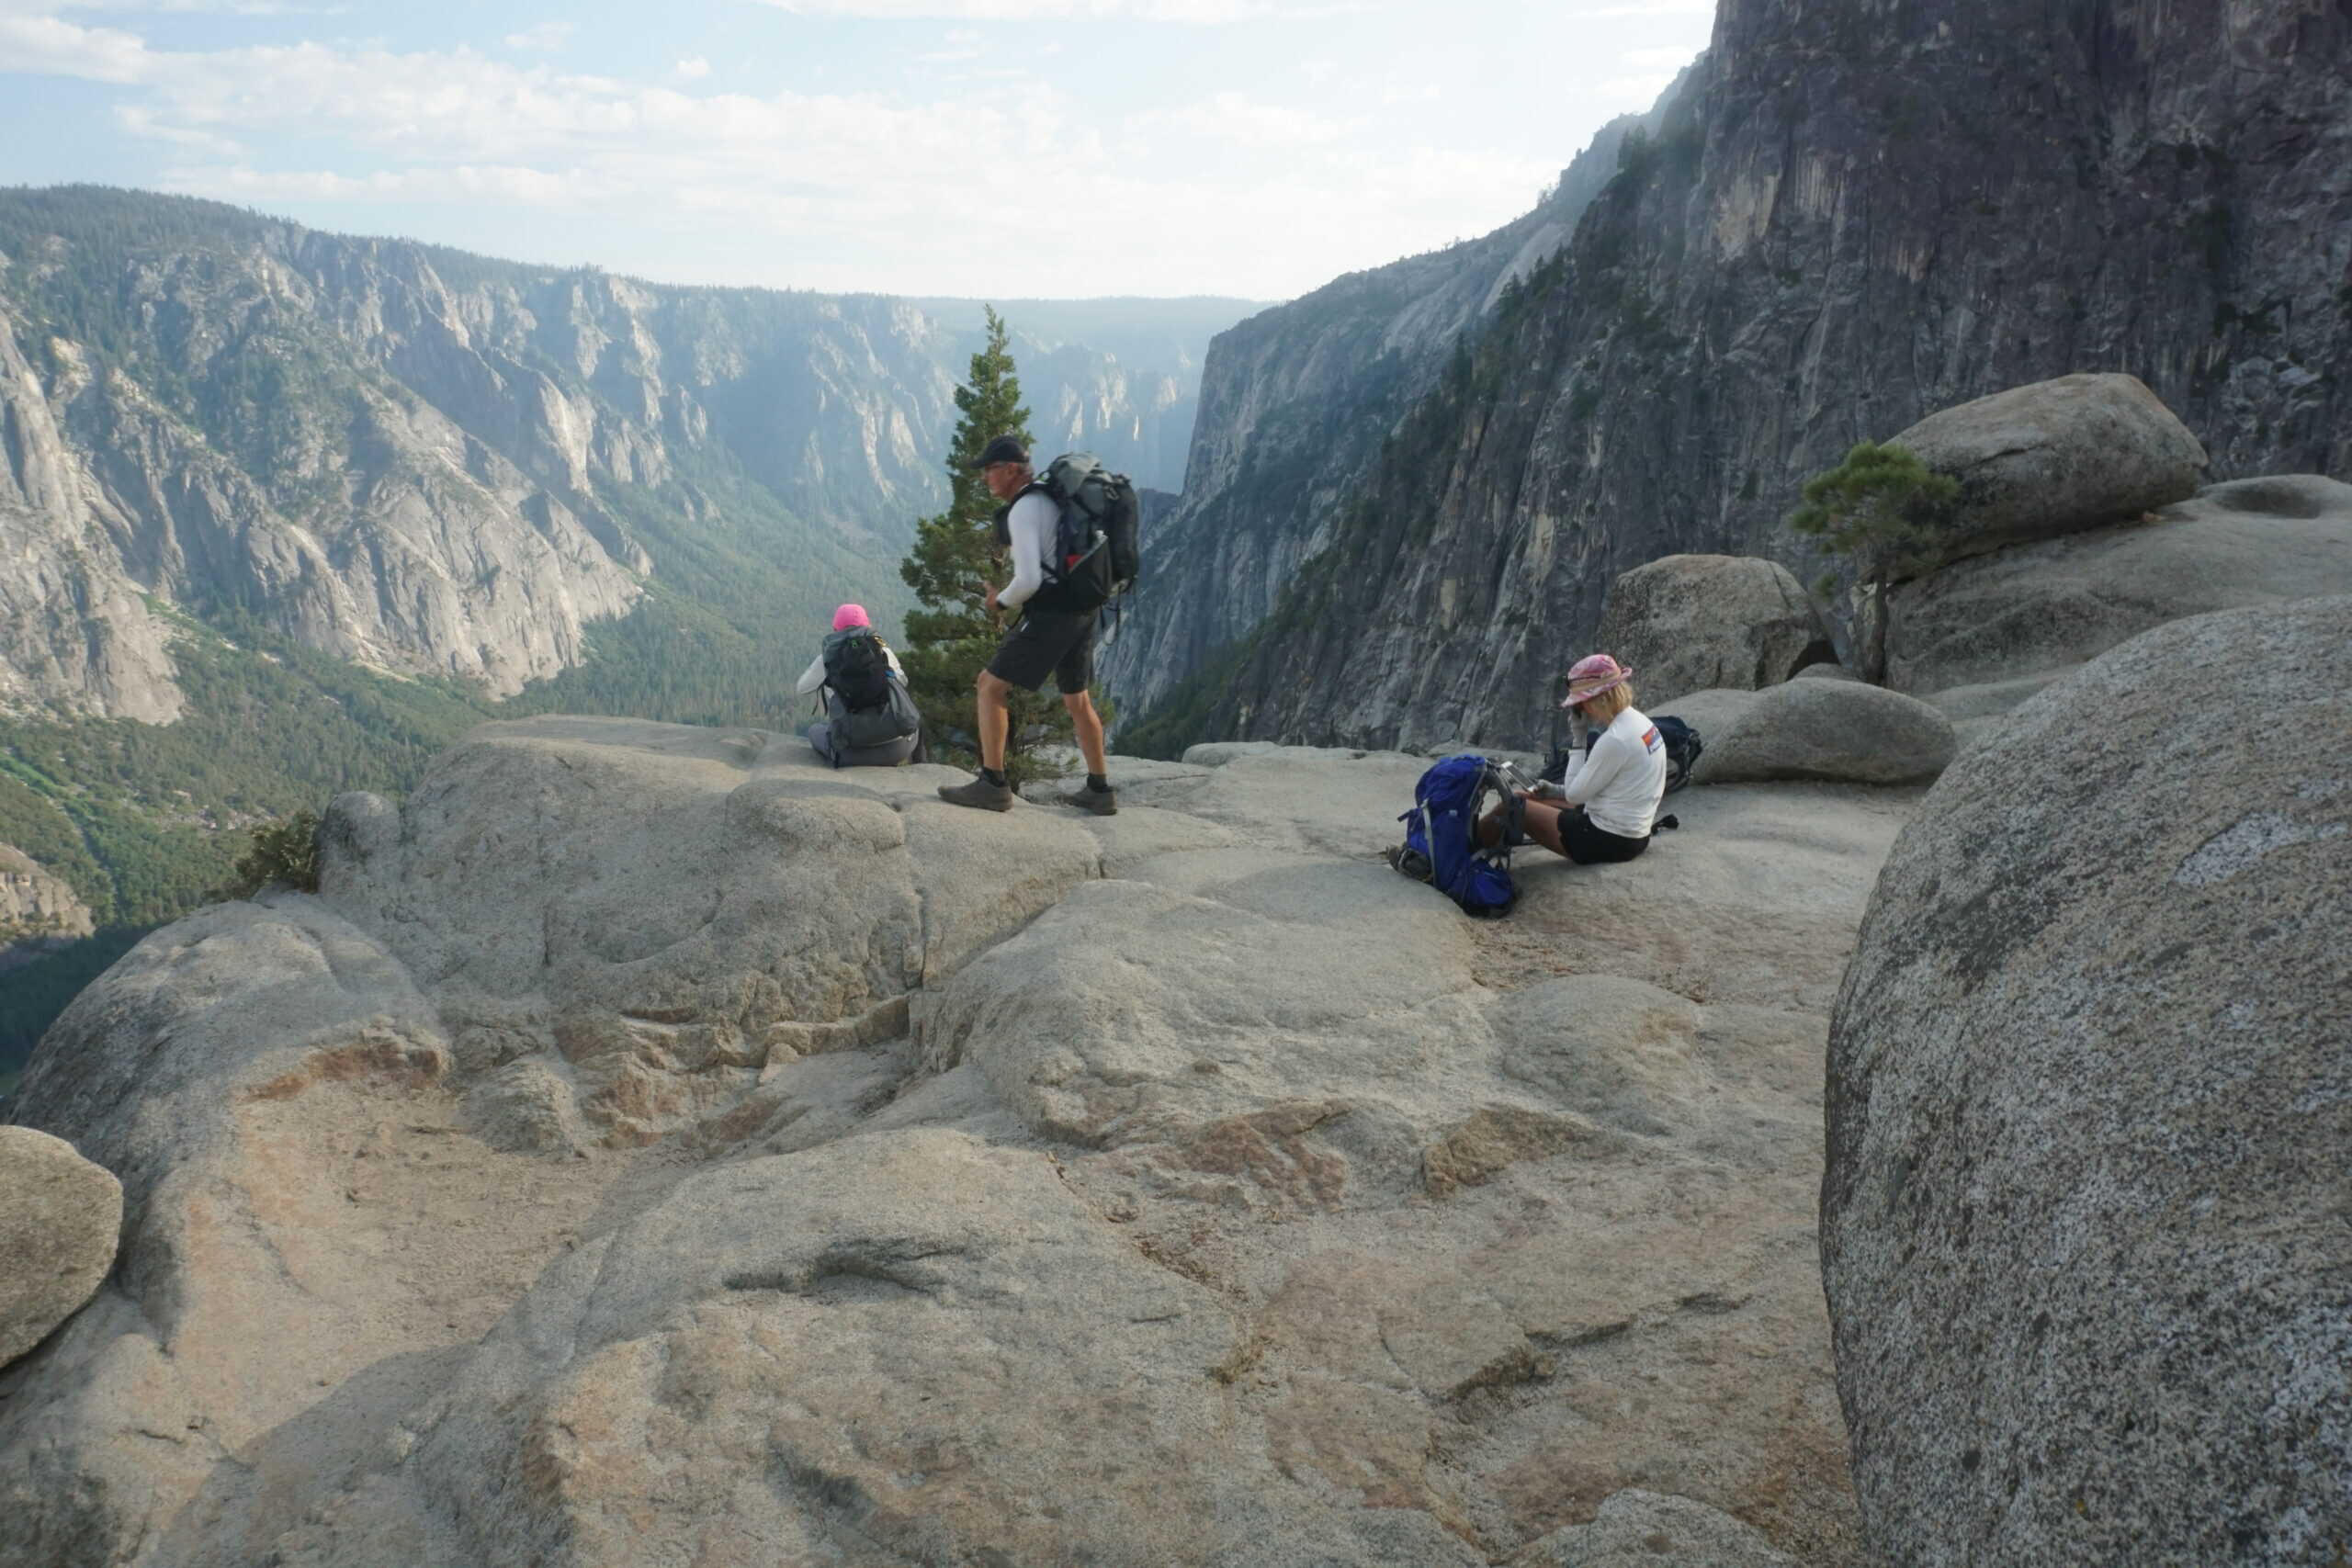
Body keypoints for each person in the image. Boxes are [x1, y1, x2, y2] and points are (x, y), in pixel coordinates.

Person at [935, 434, 1117, 815]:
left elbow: (1030, 580)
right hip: (1083, 609)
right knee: (1077, 699)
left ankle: (992, 784)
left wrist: (998, 601)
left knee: (989, 686)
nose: (986, 478)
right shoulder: (1047, 496)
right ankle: (1099, 789)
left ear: (1012, 469)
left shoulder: (1023, 508)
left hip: (1054, 613)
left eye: (990, 470)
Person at [1480, 653, 1666, 863]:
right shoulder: (1641, 723)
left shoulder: (1616, 739)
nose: (1580, 709)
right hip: (1634, 834)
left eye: (1581, 703)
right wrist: (1554, 791)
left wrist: (1579, 739)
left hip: (1607, 840)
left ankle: (1463, 853)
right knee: (1527, 796)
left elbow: (1576, 796)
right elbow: (1591, 789)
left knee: (1511, 805)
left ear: (1599, 699)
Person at [797, 604, 925, 767]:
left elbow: (802, 688)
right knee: (916, 719)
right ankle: (921, 765)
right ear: (867, 626)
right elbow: (903, 682)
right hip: (899, 749)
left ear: (836, 629)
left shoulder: (827, 659)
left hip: (851, 753)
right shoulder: (882, 652)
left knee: (815, 730)